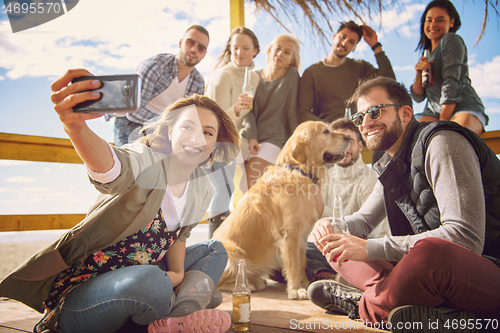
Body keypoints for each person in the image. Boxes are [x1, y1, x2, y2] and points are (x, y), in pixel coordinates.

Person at [0, 69, 240, 333]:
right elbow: (114, 169)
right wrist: (76, 127)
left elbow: (180, 236)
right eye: (187, 126)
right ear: (170, 131)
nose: (196, 138)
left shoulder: (202, 186)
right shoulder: (145, 158)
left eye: (207, 133)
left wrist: (179, 273)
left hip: (146, 268)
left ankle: (179, 316)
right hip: (89, 292)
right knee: (152, 284)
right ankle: (189, 301)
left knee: (213, 249)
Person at [307, 77, 500, 330]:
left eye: (374, 112)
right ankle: (427, 311)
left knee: (430, 255)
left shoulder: (442, 142)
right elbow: (363, 221)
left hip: (486, 267)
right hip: (433, 275)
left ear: (405, 113)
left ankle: (363, 305)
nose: (365, 123)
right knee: (336, 248)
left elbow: (465, 238)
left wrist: (370, 248)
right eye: (359, 118)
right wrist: (329, 225)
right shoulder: (389, 164)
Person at [305, 118, 391, 282]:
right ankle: (330, 276)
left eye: (349, 141)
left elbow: (371, 230)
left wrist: (323, 211)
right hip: (327, 246)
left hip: (361, 246)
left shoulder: (371, 178)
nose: (344, 148)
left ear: (360, 146)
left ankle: (327, 275)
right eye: (338, 142)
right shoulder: (324, 176)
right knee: (287, 249)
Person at [204, 26, 260, 237]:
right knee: (223, 189)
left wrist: (252, 135)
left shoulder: (253, 78)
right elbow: (213, 121)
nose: (239, 53)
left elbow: (250, 112)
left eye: (245, 48)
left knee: (247, 184)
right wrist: (236, 109)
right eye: (235, 48)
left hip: (234, 139)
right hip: (213, 140)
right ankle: (214, 243)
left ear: (255, 50)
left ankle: (243, 237)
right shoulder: (223, 75)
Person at [113, 25, 209, 146]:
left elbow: (189, 119)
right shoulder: (155, 66)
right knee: (127, 162)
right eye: (190, 42)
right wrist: (165, 124)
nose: (194, 49)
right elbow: (133, 111)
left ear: (204, 53)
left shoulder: (198, 82)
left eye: (201, 47)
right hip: (130, 121)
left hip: (160, 129)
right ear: (180, 43)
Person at [411, 0, 488, 135]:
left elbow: (451, 84)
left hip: (463, 106)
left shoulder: (451, 39)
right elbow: (418, 97)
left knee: (450, 138)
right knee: (409, 137)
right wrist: (418, 75)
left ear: (451, 23)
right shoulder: (427, 55)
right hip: (434, 111)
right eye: (429, 20)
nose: (433, 24)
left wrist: (442, 124)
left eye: (440, 20)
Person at [297, 21, 395, 124]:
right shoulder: (311, 72)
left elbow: (390, 83)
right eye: (343, 37)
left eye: (351, 42)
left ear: (354, 48)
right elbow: (303, 113)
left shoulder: (361, 67)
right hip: (327, 133)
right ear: (334, 36)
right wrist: (329, 129)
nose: (344, 43)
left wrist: (375, 46)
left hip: (359, 129)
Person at [240, 34, 300, 190]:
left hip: (275, 139)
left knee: (252, 180)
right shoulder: (254, 76)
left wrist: (296, 144)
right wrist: (252, 136)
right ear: (270, 50)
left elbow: (292, 111)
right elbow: (248, 110)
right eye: (277, 48)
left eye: (286, 52)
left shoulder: (292, 76)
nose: (280, 53)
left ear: (291, 59)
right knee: (227, 170)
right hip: (249, 136)